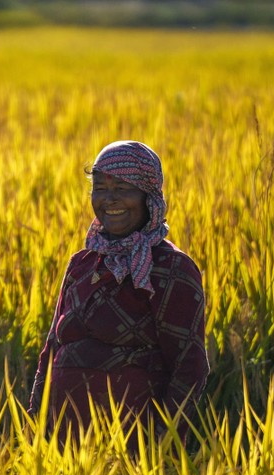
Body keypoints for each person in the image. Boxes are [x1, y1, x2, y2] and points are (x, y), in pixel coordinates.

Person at [28, 140, 209, 444]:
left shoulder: (171, 269)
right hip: (60, 447)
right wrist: (33, 429)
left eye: (123, 188)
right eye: (100, 188)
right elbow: (50, 353)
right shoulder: (82, 264)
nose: (109, 199)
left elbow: (189, 368)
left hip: (132, 449)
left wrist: (163, 445)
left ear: (149, 195)